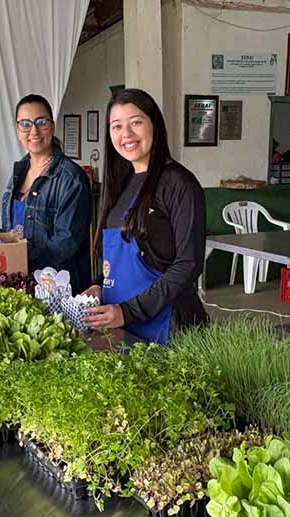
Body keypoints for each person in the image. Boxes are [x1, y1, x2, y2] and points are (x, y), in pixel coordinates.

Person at [83, 89, 208, 343]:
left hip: (167, 327)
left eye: (136, 122)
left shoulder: (179, 184)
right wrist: (98, 284)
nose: (126, 134)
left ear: (155, 124)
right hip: (120, 327)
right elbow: (115, 260)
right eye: (117, 126)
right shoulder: (121, 183)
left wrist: (128, 312)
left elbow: (188, 264)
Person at [0, 94, 92, 293]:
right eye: (25, 124)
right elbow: (18, 230)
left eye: (41, 122)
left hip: (58, 290)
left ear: (52, 125)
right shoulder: (19, 172)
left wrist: (17, 258)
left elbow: (65, 244)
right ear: (17, 130)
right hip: (22, 283)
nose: (34, 131)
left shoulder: (71, 178)